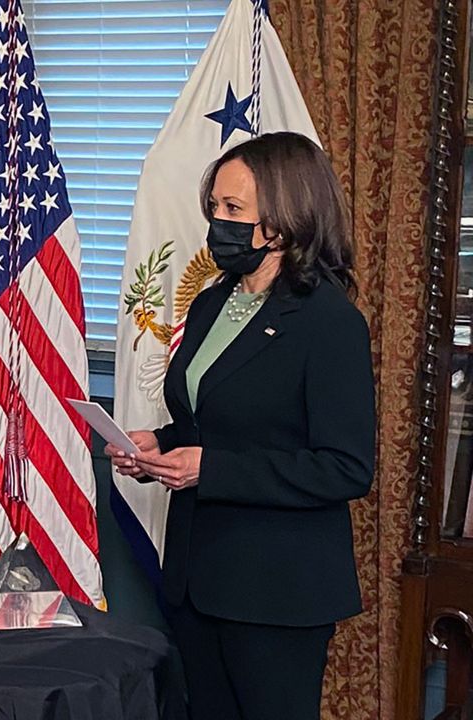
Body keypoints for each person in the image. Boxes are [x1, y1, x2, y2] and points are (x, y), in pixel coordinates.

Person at [107, 131, 376, 720]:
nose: (217, 224)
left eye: (234, 210)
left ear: (282, 221)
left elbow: (346, 467)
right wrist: (161, 444)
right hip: (196, 579)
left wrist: (211, 468)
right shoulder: (211, 303)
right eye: (215, 209)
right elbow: (214, 421)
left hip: (276, 593)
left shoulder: (328, 322)